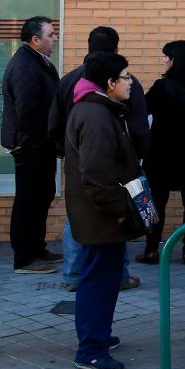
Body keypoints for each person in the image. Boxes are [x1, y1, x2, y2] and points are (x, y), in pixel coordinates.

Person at [52, 26, 148, 292]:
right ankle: (118, 275)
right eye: (124, 77)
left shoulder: (69, 80)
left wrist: (67, 152)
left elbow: (54, 124)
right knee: (115, 218)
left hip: (75, 161)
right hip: (111, 166)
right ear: (116, 49)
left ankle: (73, 274)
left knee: (77, 214)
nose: (127, 81)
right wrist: (136, 159)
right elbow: (139, 129)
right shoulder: (119, 88)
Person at [64, 51, 142, 369]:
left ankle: (98, 337)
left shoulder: (102, 110)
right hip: (102, 215)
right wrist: (121, 211)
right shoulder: (95, 116)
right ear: (109, 83)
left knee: (103, 279)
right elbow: (96, 177)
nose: (131, 83)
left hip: (102, 214)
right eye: (126, 77)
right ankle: (91, 350)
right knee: (97, 280)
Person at [0, 15, 62, 273]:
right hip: (31, 145)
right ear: (35, 40)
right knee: (29, 199)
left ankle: (37, 248)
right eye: (50, 35)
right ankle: (24, 257)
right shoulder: (26, 65)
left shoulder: (37, 61)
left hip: (39, 143)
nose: (55, 39)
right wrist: (30, 142)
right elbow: (27, 109)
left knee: (41, 195)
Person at [138, 39, 185, 266]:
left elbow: (143, 109)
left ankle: (152, 250)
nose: (163, 61)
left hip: (161, 152)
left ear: (174, 60)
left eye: (166, 57)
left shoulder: (161, 87)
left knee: (155, 201)